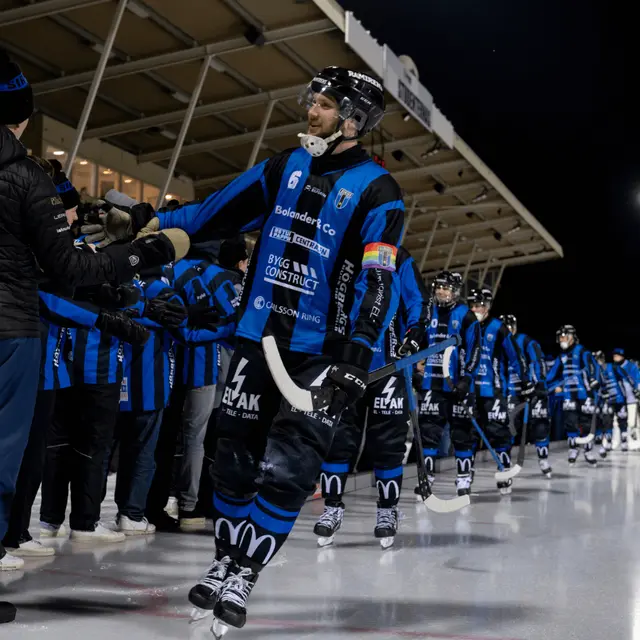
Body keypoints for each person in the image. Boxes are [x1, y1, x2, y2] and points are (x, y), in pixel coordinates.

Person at [116, 66, 403, 630]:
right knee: (233, 461)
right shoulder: (284, 166)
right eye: (313, 101)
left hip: (318, 355)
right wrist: (153, 222)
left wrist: (357, 360)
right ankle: (224, 561)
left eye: (321, 105)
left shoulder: (378, 190)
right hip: (257, 338)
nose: (310, 112)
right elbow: (213, 213)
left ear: (351, 118)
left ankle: (247, 571)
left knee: (291, 468)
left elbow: (379, 282)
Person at [0, 50, 187, 623]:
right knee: (4, 455)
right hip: (11, 332)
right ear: (23, 115)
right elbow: (71, 271)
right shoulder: (26, 175)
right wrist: (143, 254)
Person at [313, 246, 429, 548]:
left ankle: (388, 510)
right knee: (338, 437)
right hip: (346, 361)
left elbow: (417, 298)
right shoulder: (342, 249)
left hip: (389, 365)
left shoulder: (400, 257)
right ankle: (332, 508)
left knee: (387, 441)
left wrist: (416, 329)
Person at [104, 272, 186, 536]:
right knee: (143, 454)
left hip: (115, 380)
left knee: (112, 452)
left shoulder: (116, 283)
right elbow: (185, 329)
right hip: (150, 385)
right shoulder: (161, 290)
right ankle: (132, 513)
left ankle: (103, 514)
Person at [416, 271, 481, 497]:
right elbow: (420, 343)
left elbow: (475, 349)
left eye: (446, 288)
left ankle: (463, 477)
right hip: (431, 385)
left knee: (461, 433)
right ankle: (427, 477)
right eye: (439, 287)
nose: (441, 291)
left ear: (455, 291)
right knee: (428, 432)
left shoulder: (466, 315)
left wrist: (466, 379)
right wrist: (417, 367)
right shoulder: (427, 312)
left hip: (457, 385)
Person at [467, 291, 532, 495]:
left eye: (480, 305)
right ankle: (466, 474)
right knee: (468, 433)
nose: (476, 309)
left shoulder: (498, 328)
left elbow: (516, 356)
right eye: (473, 305)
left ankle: (504, 470)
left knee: (498, 433)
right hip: (468, 388)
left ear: (487, 306)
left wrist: (526, 380)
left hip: (492, 389)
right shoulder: (464, 324)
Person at [501, 314, 552, 477]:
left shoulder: (525, 341)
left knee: (539, 424)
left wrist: (540, 385)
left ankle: (543, 459)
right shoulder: (497, 344)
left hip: (531, 390)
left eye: (510, 326)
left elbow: (538, 362)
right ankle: (505, 464)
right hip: (512, 392)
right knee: (507, 427)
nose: (507, 329)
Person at [547, 325, 599, 466]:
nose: (562, 339)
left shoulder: (582, 351)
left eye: (564, 336)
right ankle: (573, 449)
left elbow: (592, 366)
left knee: (586, 423)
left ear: (571, 337)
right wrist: (542, 384)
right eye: (560, 337)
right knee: (570, 422)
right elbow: (552, 373)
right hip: (569, 393)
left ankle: (588, 451)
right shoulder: (561, 356)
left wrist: (594, 379)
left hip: (584, 393)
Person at [612, 347, 640, 447]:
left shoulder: (631, 366)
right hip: (619, 399)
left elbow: (637, 379)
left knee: (632, 422)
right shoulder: (613, 367)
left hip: (631, 399)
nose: (615, 358)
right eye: (614, 356)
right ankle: (616, 442)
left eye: (617, 356)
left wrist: (638, 389)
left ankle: (634, 442)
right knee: (616, 421)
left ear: (622, 356)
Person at [593, 350, 616, 457]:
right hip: (596, 398)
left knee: (607, 418)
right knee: (597, 419)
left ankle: (609, 441)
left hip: (605, 397)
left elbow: (605, 382)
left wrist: (606, 394)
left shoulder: (607, 367)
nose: (597, 360)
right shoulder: (592, 368)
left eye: (598, 358)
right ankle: (599, 442)